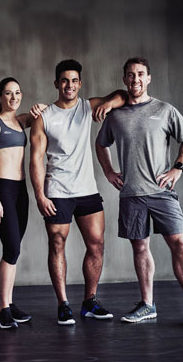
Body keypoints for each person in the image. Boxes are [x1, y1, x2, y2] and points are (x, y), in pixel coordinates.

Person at [95, 57, 183, 331]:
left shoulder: (165, 110)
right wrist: (109, 172)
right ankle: (147, 304)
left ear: (149, 78)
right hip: (131, 194)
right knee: (140, 247)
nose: (135, 79)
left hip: (162, 193)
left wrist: (178, 169)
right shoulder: (115, 115)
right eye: (130, 75)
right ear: (124, 80)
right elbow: (101, 145)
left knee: (179, 245)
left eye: (140, 74)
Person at [29, 59, 127, 325]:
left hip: (87, 190)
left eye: (74, 80)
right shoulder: (44, 116)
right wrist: (40, 195)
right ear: (56, 83)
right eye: (64, 80)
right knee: (57, 244)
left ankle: (89, 302)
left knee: (96, 244)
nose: (69, 85)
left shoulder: (87, 107)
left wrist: (107, 105)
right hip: (57, 190)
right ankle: (63, 304)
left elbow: (122, 95)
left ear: (80, 84)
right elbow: (36, 159)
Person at [0, 77, 46, 329]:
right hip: (3, 189)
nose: (13, 97)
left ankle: (9, 303)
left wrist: (40, 107)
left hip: (21, 190)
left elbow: (44, 113)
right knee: (11, 249)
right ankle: (2, 309)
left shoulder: (21, 122)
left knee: (14, 248)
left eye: (17, 93)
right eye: (8, 93)